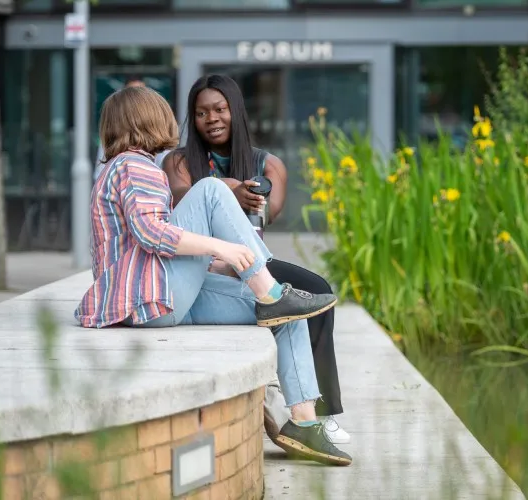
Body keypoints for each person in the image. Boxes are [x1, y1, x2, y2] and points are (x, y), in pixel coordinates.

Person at [75, 85, 352, 466]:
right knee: (210, 191)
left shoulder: (127, 167)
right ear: (149, 119)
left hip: (162, 295)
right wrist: (220, 247)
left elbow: (149, 246)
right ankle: (267, 289)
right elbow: (150, 232)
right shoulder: (132, 166)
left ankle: (304, 423)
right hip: (149, 299)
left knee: (290, 314)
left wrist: (218, 262)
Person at [162, 74, 351, 446]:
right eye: (201, 113)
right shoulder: (179, 161)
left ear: (236, 111)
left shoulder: (269, 164)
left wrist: (254, 202)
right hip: (199, 264)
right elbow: (179, 195)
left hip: (248, 262)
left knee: (317, 292)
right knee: (286, 293)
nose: (211, 118)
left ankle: (323, 412)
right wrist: (231, 188)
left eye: (219, 109)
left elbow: (268, 212)